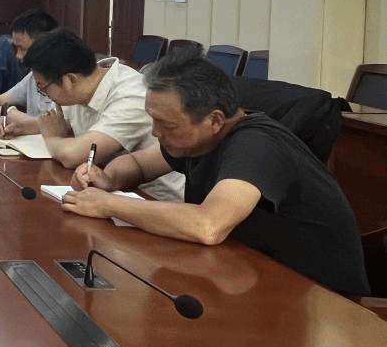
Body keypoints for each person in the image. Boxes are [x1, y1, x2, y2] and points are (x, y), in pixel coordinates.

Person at [64, 51, 370, 296]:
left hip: (321, 297)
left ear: (214, 120)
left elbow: (209, 224)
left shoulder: (255, 144)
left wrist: (110, 204)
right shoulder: (198, 138)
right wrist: (108, 178)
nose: (155, 132)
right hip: (249, 272)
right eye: (153, 120)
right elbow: (139, 165)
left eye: (166, 125)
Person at [21, 28, 184, 199]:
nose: (155, 132)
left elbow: (73, 154)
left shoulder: (132, 95)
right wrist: (23, 126)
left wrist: (51, 138)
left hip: (155, 199)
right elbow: (55, 123)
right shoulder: (81, 89)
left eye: (43, 88)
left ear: (70, 80)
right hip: (118, 190)